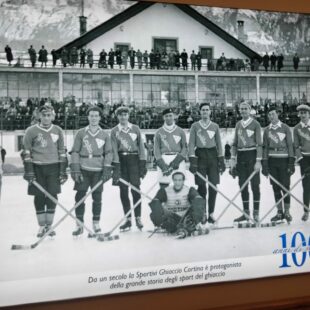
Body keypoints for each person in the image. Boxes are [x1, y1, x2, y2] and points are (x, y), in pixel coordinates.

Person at [22, 105, 68, 238]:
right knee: (39, 196)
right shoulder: (31, 131)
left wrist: (62, 170)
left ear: (53, 116)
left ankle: (49, 225)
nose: (46, 118)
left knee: (52, 195)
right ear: (39, 116)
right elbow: (26, 151)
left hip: (53, 167)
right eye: (44, 115)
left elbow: (62, 151)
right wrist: (29, 170)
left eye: (49, 115)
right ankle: (41, 226)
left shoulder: (58, 130)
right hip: (37, 167)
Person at [70, 106, 113, 236]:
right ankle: (79, 225)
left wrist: (107, 168)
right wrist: (75, 168)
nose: (94, 118)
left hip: (98, 170)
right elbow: (75, 151)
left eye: (96, 116)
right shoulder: (81, 133)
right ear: (88, 117)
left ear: (100, 117)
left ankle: (96, 223)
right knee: (79, 197)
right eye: (91, 115)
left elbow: (109, 152)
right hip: (83, 169)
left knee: (97, 198)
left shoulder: (105, 134)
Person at [110, 106, 147, 231]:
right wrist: (115, 165)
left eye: (125, 114)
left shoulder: (135, 129)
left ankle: (138, 217)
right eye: (120, 115)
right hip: (121, 161)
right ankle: (128, 219)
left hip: (134, 161)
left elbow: (141, 147)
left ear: (128, 116)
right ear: (117, 116)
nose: (123, 117)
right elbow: (114, 149)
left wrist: (142, 163)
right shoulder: (114, 131)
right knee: (123, 191)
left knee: (136, 189)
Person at [188, 103, 225, 224]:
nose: (205, 112)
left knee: (213, 186)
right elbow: (191, 144)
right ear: (200, 112)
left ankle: (211, 214)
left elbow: (219, 144)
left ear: (210, 112)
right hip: (200, 156)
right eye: (203, 110)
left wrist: (221, 160)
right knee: (201, 186)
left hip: (213, 155)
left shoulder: (215, 126)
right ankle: (202, 213)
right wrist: (192, 161)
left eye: (207, 110)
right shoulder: (195, 126)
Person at [230, 102, 262, 223]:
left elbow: (259, 144)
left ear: (250, 110)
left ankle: (256, 213)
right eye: (241, 109)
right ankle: (246, 213)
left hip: (252, 155)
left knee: (255, 186)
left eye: (245, 109)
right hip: (241, 156)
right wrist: (233, 159)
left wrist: (258, 161)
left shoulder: (256, 124)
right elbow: (234, 143)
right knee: (242, 186)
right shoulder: (238, 124)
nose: (243, 111)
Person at [262, 107, 294, 223]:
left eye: (273, 114)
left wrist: (291, 162)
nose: (271, 116)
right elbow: (265, 147)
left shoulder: (285, 128)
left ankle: (287, 212)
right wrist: (264, 163)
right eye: (269, 115)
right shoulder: (266, 130)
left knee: (285, 187)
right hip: (272, 161)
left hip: (284, 160)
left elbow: (290, 145)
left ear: (278, 114)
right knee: (275, 188)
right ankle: (279, 212)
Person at [149, 171, 205, 238]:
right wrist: (158, 219)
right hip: (172, 218)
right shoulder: (165, 190)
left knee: (198, 201)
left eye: (179, 180)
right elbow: (155, 202)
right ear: (172, 180)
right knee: (155, 204)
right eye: (175, 180)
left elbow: (198, 200)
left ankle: (195, 225)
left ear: (183, 181)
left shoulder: (189, 190)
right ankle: (163, 226)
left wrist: (198, 217)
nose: (177, 183)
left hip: (185, 218)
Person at [154, 108, 187, 188]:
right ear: (163, 117)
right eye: (166, 116)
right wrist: (162, 165)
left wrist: (176, 161)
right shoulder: (158, 132)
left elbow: (185, 148)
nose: (168, 118)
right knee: (163, 186)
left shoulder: (180, 131)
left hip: (178, 159)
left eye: (170, 115)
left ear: (174, 116)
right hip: (164, 158)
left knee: (179, 185)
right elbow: (156, 150)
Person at [293, 104, 310, 221]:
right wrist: (302, 161)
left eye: (305, 113)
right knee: (306, 187)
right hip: (304, 159)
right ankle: (306, 211)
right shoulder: (296, 128)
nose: (303, 115)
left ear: (309, 114)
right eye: (301, 113)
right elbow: (296, 146)